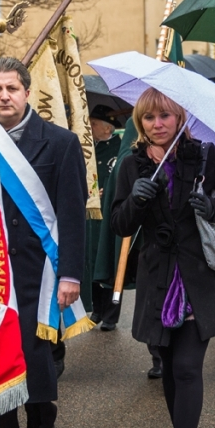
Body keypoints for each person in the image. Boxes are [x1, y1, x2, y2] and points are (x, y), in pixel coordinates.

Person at [111, 87, 215, 428]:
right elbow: (118, 223)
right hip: (157, 279)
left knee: (188, 367)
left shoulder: (204, 156)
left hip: (197, 279)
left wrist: (211, 207)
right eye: (149, 117)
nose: (157, 124)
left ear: (181, 119)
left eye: (165, 117)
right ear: (141, 121)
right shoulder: (131, 165)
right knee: (169, 368)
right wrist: (134, 203)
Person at [0, 57, 87, 428]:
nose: (4, 96)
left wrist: (71, 275)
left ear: (26, 92)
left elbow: (72, 215)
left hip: (38, 274)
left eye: (12, 88)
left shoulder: (59, 143)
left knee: (37, 362)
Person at [86, 105, 123, 332]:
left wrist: (107, 190)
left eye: (93, 124)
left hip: (110, 214)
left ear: (107, 127)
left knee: (108, 261)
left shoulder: (120, 149)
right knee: (91, 261)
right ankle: (97, 309)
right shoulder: (88, 149)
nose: (89, 127)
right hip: (91, 214)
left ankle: (111, 314)